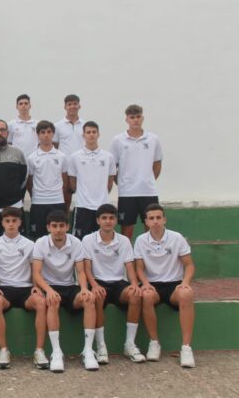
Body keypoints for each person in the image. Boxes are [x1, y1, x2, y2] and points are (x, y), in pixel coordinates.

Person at [32, 210, 98, 372]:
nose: (58, 230)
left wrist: (84, 289)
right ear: (48, 227)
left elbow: (80, 272)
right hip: (50, 287)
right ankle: (56, 352)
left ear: (67, 227)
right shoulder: (40, 243)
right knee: (52, 301)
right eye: (54, 226)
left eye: (61, 226)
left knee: (89, 299)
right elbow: (36, 273)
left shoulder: (76, 242)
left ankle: (88, 351)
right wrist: (48, 290)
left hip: (70, 287)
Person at [82, 204, 145, 364]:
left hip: (118, 283)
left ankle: (129, 344)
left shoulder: (124, 241)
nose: (108, 221)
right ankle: (101, 347)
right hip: (98, 282)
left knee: (136, 295)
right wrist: (94, 285)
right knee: (97, 296)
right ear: (98, 220)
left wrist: (134, 284)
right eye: (104, 218)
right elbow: (87, 269)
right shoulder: (88, 240)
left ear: (116, 220)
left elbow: (129, 267)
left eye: (111, 218)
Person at [135, 203, 196, 368]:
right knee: (146, 295)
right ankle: (154, 343)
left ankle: (186, 348)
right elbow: (139, 268)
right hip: (152, 285)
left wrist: (184, 283)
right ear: (146, 222)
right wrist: (145, 283)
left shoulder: (177, 238)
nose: (155, 221)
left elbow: (189, 265)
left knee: (187, 294)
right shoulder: (140, 240)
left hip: (174, 285)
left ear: (164, 220)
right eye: (151, 218)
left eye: (158, 217)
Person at [0, 207, 48, 369]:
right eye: (7, 221)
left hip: (25, 290)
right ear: (2, 223)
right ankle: (3, 350)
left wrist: (36, 286)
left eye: (14, 221)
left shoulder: (30, 244)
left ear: (20, 222)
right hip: (4, 289)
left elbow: (35, 269)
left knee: (41, 302)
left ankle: (39, 351)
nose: (11, 224)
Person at [110, 104, 163, 240]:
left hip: (148, 192)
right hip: (127, 193)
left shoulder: (153, 139)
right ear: (127, 119)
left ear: (142, 118)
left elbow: (157, 164)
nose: (135, 120)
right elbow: (113, 167)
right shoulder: (118, 140)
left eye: (138, 117)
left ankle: (151, 252)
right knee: (126, 231)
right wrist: (122, 183)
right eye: (132, 117)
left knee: (152, 228)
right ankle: (127, 254)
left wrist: (147, 179)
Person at [68, 121, 116, 240]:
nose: (91, 135)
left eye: (94, 132)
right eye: (88, 132)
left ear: (98, 134)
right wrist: (83, 195)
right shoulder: (75, 157)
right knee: (80, 240)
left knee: (102, 240)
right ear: (83, 135)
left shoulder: (108, 157)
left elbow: (110, 182)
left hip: (102, 206)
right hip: (82, 206)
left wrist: (101, 195)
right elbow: (72, 182)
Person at [26, 120, 68, 239]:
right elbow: (30, 181)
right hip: (38, 202)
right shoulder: (32, 158)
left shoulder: (62, 156)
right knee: (37, 237)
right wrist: (35, 195)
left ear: (53, 134)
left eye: (49, 132)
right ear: (38, 135)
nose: (46, 135)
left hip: (57, 201)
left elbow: (65, 180)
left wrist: (58, 194)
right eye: (43, 132)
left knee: (58, 236)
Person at [54, 94, 85, 213]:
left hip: (82, 166)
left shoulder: (85, 125)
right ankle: (64, 223)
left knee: (84, 198)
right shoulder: (58, 126)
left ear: (79, 106)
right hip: (65, 169)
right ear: (65, 107)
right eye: (69, 104)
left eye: (75, 104)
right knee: (65, 200)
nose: (72, 106)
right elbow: (55, 147)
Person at [7, 94, 38, 159]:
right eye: (20, 104)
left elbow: (40, 143)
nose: (23, 105)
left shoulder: (37, 124)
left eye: (26, 103)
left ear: (30, 106)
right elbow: (9, 143)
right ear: (17, 107)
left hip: (34, 159)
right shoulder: (11, 124)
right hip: (17, 159)